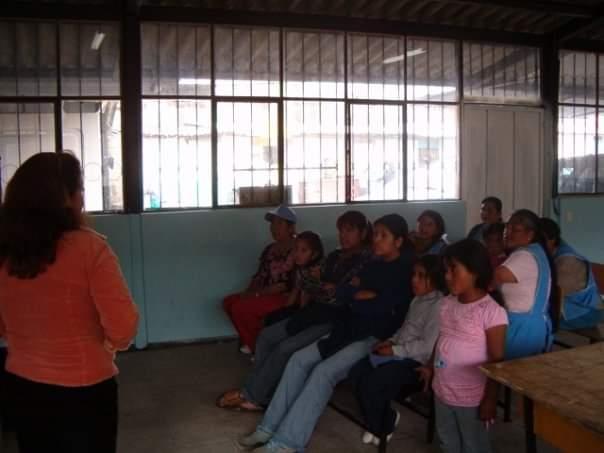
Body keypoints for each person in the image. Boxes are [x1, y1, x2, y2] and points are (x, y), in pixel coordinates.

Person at [237, 214, 414, 453]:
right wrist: (360, 295)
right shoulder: (373, 263)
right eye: (376, 234)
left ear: (399, 241)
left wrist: (360, 296)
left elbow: (384, 307)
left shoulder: (405, 271)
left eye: (384, 236)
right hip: (347, 327)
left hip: (374, 336)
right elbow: (343, 292)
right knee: (299, 360)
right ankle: (268, 427)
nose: (377, 240)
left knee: (323, 373)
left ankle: (287, 443)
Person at [0, 152, 139, 453]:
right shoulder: (90, 248)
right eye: (81, 189)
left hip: (23, 386)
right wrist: (108, 346)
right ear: (68, 198)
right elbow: (124, 327)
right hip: (85, 390)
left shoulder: (5, 251)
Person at [216, 211, 372, 412]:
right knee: (266, 336)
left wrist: (326, 286)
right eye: (341, 230)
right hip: (313, 311)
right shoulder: (335, 256)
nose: (344, 235)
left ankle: (252, 395)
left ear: (362, 232)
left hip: (333, 318)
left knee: (284, 348)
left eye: (349, 230)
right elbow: (310, 283)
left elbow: (336, 295)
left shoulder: (365, 261)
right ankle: (262, 391)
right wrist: (326, 286)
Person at [417, 239, 508, 453]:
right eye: (446, 270)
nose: (447, 276)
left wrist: (490, 399)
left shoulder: (491, 312)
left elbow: (497, 361)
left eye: (454, 269)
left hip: (472, 398)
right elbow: (442, 338)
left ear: (475, 271)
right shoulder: (448, 302)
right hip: (443, 391)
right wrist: (430, 366)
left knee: (473, 444)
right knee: (447, 440)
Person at [352, 254, 446, 446]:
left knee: (373, 383)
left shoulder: (439, 305)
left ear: (435, 279)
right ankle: (380, 420)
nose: (414, 280)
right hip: (400, 353)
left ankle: (382, 426)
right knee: (356, 374)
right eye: (414, 274)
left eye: (421, 276)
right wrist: (389, 341)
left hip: (417, 363)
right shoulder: (417, 300)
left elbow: (427, 347)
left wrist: (395, 351)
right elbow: (404, 330)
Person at [223, 205, 297, 354]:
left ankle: (259, 351)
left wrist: (256, 294)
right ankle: (254, 342)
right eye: (272, 224)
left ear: (291, 227)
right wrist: (248, 292)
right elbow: (259, 276)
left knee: (241, 308)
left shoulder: (299, 248)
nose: (273, 228)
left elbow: (288, 284)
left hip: (285, 297)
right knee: (229, 302)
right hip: (265, 293)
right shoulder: (270, 249)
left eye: (279, 224)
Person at [494, 209, 553, 359]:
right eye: (507, 227)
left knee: (510, 372)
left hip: (523, 327)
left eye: (516, 229)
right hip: (527, 323)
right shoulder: (533, 251)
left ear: (530, 235)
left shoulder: (525, 255)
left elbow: (496, 276)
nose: (508, 232)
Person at [539, 217, 602, 330]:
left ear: (552, 240)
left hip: (585, 311)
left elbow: (552, 294)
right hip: (568, 306)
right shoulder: (552, 250)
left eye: (539, 240)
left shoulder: (567, 261)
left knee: (538, 321)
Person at [263, 231, 325, 327]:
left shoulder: (317, 270)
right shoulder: (300, 268)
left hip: (317, 308)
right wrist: (284, 311)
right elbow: (295, 290)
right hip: (303, 306)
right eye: (296, 249)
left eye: (303, 251)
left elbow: (307, 296)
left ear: (314, 255)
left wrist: (298, 316)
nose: (297, 254)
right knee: (272, 318)